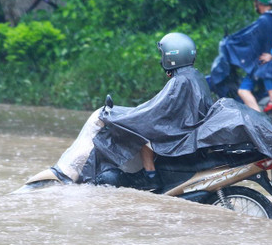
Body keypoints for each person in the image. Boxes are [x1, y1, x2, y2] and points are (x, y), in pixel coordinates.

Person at [83, 32, 213, 190]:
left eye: (163, 55)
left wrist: (120, 116)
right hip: (190, 133)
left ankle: (150, 177)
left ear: (172, 56)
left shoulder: (180, 81)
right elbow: (160, 108)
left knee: (141, 129)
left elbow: (153, 114)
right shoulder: (194, 75)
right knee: (142, 124)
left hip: (181, 137)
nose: (161, 59)